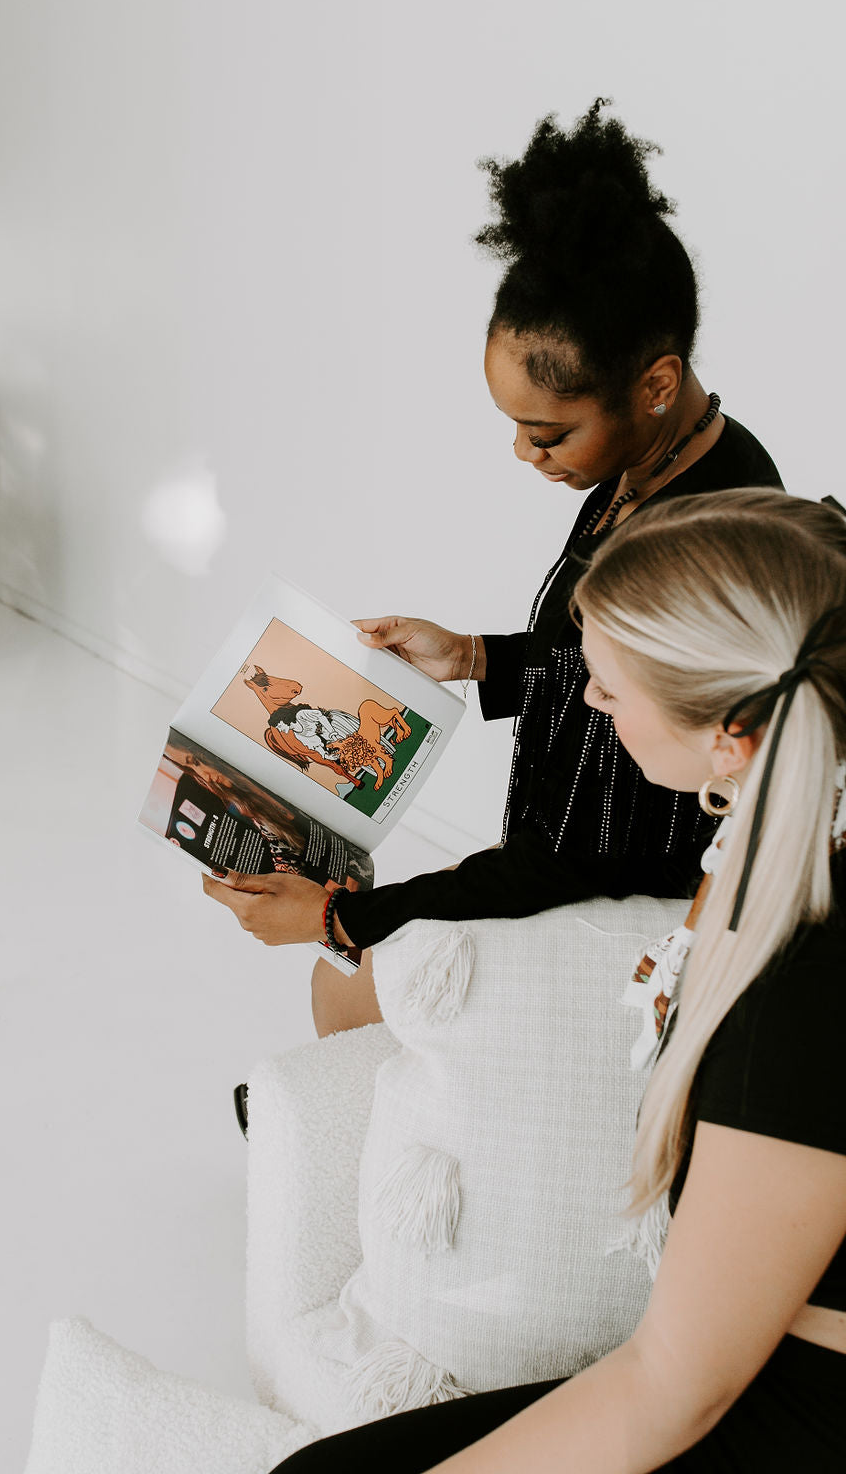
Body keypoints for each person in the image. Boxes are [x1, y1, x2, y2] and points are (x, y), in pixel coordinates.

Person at [266, 487, 846, 1472]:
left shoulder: (796, 998)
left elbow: (669, 1388)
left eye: (611, 687)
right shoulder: (764, 828)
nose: (587, 699)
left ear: (729, 738)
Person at [203, 101, 782, 1036]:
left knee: (339, 993)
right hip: (570, 857)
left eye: (548, 432)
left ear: (657, 384)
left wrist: (338, 916)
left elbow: (581, 854)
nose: (524, 453)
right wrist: (472, 656)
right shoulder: (660, 459)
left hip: (623, 907)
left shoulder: (698, 539)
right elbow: (597, 662)